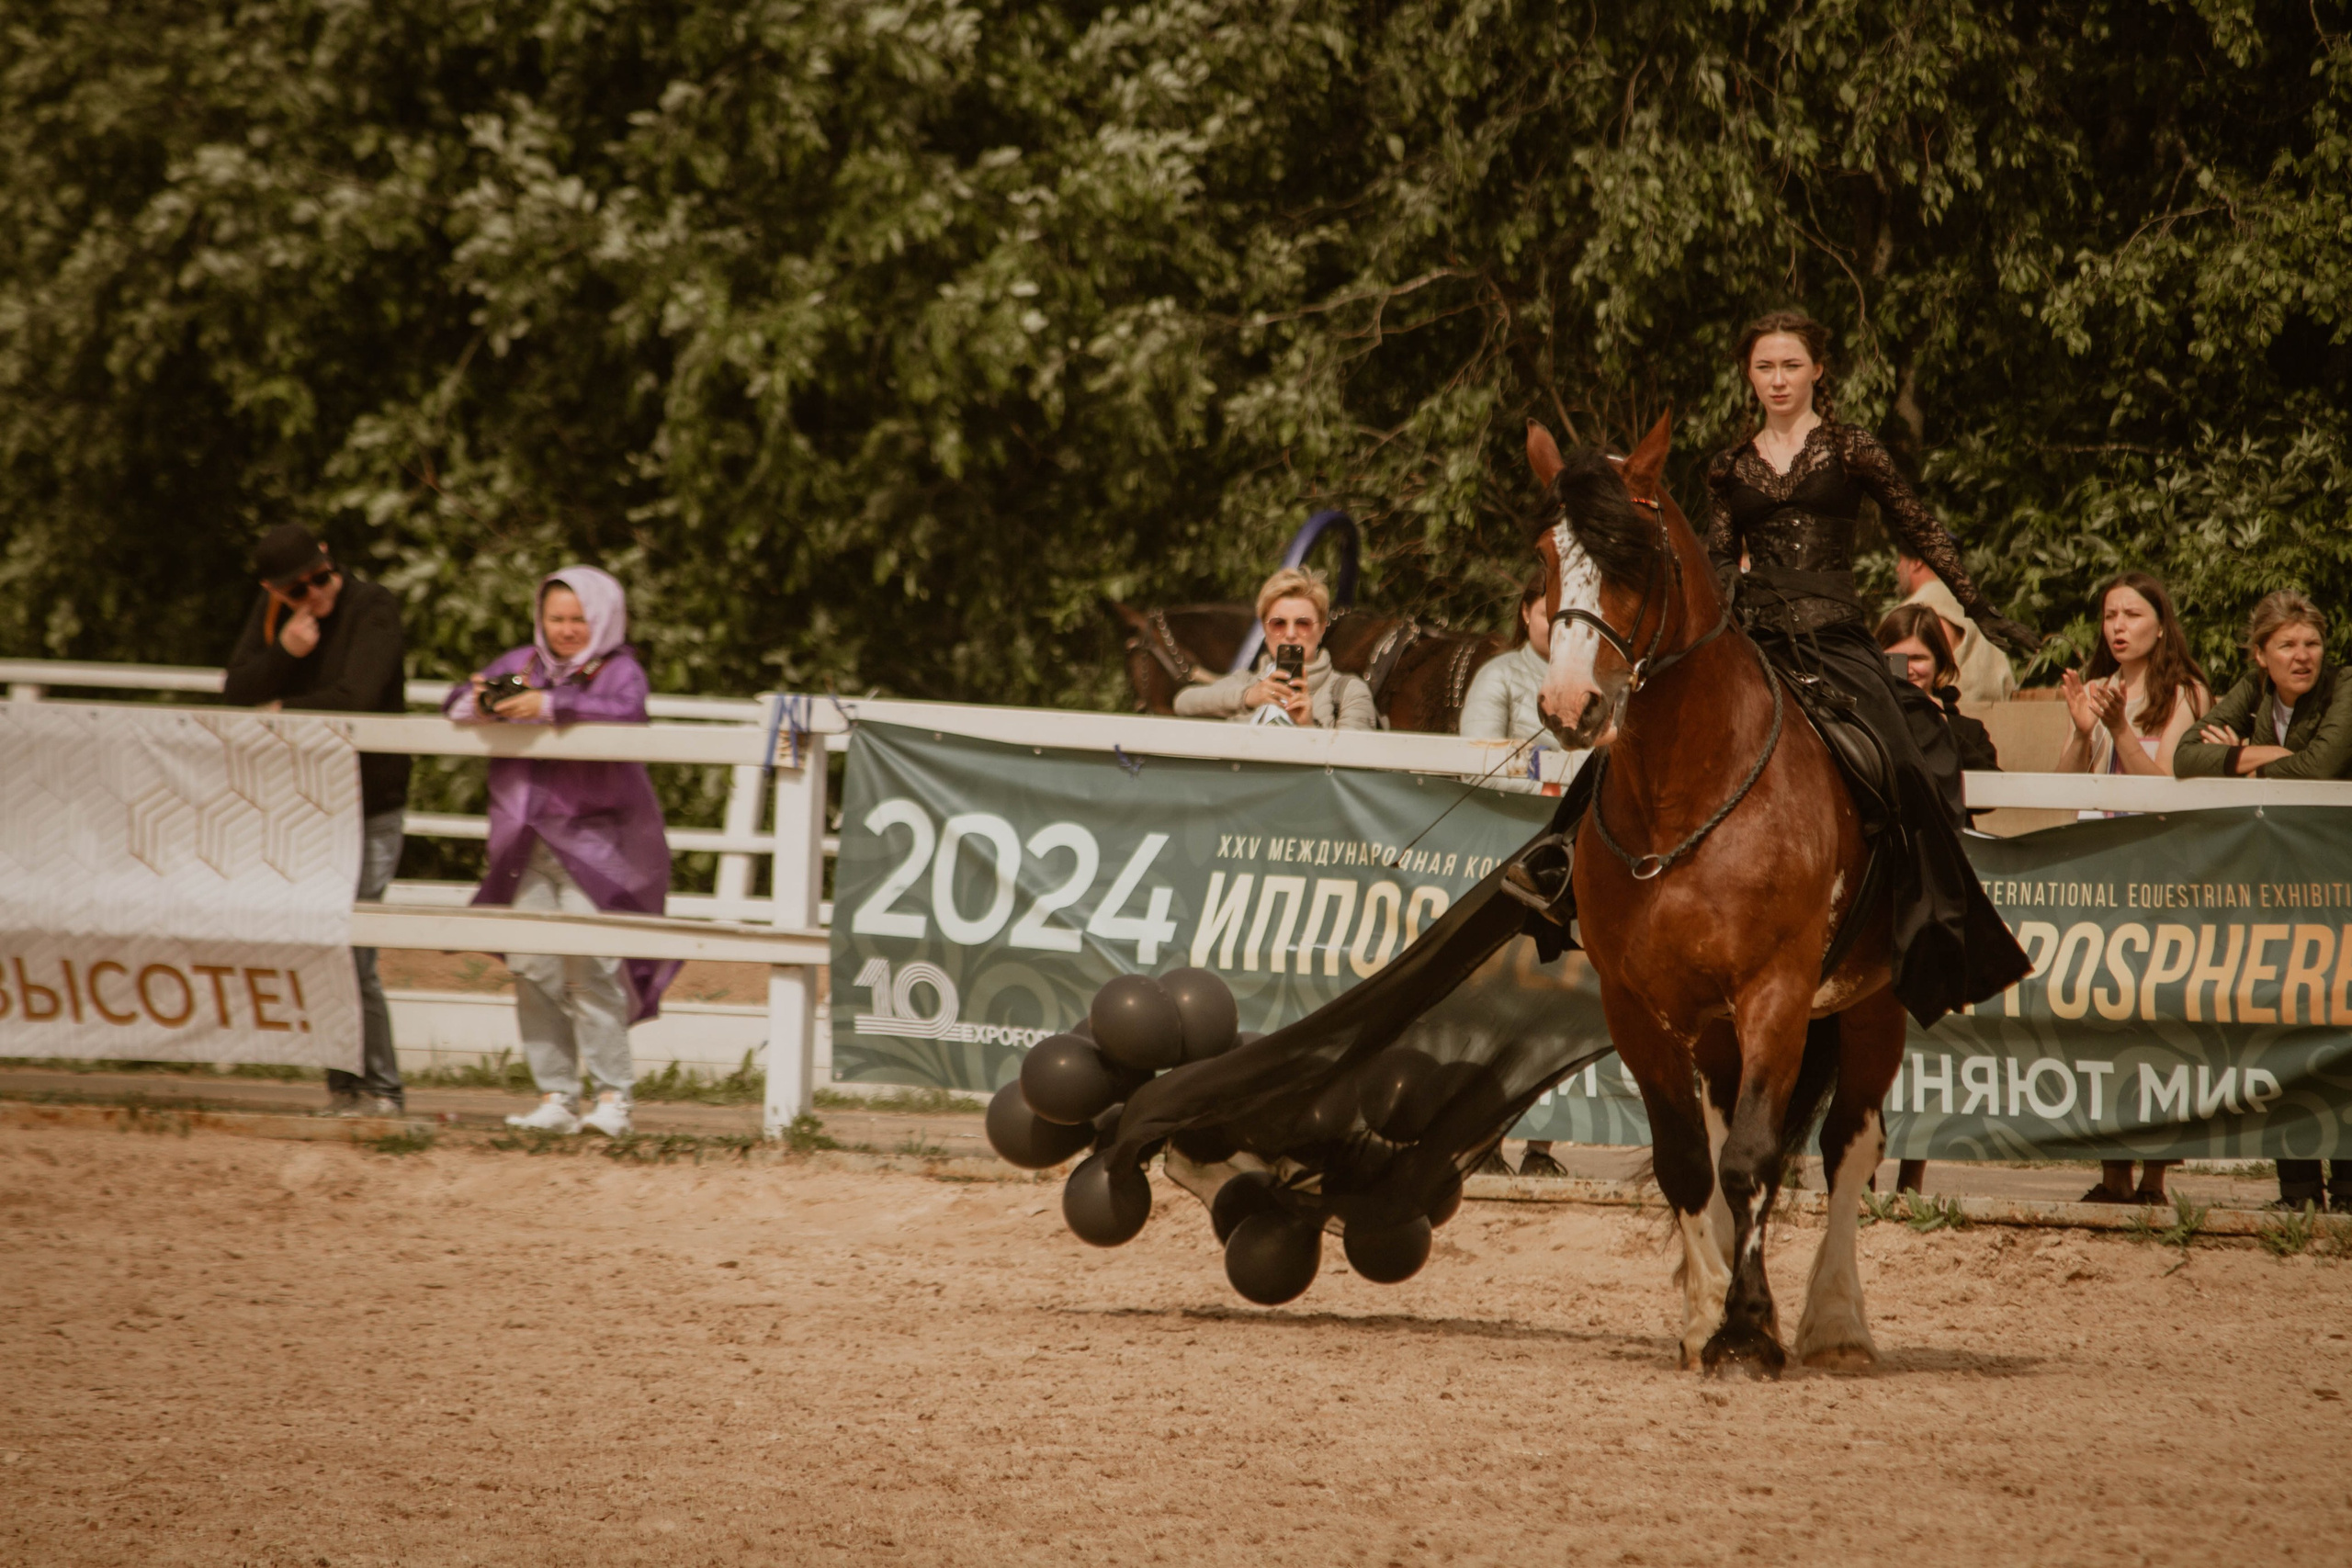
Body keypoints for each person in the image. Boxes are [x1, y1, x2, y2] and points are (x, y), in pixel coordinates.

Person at [1698, 310, 2039, 1029]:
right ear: (1748, 375)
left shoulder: (1851, 448)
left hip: (1837, 639)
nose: (1778, 379)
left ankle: (1931, 935)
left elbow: (1921, 528)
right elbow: (1719, 559)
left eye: (1791, 365)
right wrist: (1725, 616)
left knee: (1909, 765)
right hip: (1755, 641)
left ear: (1818, 370)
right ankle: (1560, 874)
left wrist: (1980, 609)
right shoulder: (1729, 466)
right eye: (1765, 367)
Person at [446, 568, 680, 1137]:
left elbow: (627, 711)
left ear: (604, 619)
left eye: (579, 619)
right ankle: (556, 1094)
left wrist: (549, 706)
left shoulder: (620, 670)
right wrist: (486, 701)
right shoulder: (522, 664)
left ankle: (612, 1096)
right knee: (533, 967)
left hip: (597, 844)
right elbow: (455, 702)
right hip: (524, 842)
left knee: (592, 965)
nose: (567, 629)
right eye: (557, 618)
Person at [2173, 590, 2352, 1214]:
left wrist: (2240, 762)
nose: (2303, 656)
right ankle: (2297, 1191)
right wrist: (2262, 754)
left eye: (2312, 643)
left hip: (2339, 882)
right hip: (2276, 886)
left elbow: (2320, 771)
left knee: (2340, 1027)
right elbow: (2185, 757)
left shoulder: (2345, 686)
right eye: (2287, 645)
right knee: (2280, 1025)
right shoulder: (2252, 692)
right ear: (2260, 654)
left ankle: (2348, 1189)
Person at [222, 525, 410, 1117]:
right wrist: (286, 652)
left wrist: (281, 709)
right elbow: (234, 691)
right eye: (297, 590)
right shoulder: (275, 614)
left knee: (353, 951)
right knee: (325, 948)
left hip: (369, 803)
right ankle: (345, 1089)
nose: (315, 594)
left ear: (330, 558)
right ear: (273, 590)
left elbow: (358, 697)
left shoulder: (374, 606)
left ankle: (383, 1091)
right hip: (305, 806)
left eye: (321, 579)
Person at [2053, 570, 2210, 1205]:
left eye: (2132, 614)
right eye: (2109, 615)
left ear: (2161, 624)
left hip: (2162, 876)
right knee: (2103, 1021)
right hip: (2099, 874)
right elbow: (2063, 787)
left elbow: (2168, 787)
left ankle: (2155, 1179)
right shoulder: (2097, 688)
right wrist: (2081, 729)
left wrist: (2120, 730)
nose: (2118, 626)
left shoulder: (2188, 693)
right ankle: (2113, 1172)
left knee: (2158, 1020)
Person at [1874, 603, 2007, 1197]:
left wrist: (1935, 722)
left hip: (1938, 901)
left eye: (1919, 657)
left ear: (1942, 664)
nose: (1908, 668)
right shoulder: (1861, 718)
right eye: (1894, 656)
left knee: (1929, 1047)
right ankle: (1859, 1165)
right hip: (1879, 897)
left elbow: (1991, 787)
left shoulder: (1964, 729)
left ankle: (1914, 1177)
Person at [1460, 576, 1565, 1179]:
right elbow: (1475, 761)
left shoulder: (1604, 682)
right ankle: (1483, 1139)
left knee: (1561, 1002)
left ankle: (1542, 1150)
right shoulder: (1498, 677)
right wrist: (1551, 775)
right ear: (1526, 614)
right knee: (1496, 1004)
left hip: (1575, 863)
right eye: (1551, 613)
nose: (1561, 625)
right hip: (1502, 855)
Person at [1174, 566, 1375, 730]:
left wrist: (1308, 726)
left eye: (1303, 623)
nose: (1290, 633)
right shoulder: (1246, 681)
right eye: (1278, 623)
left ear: (1322, 627)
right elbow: (1183, 703)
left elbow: (1351, 764)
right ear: (1264, 628)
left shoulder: (1348, 692)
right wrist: (1248, 697)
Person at [1895, 548, 2018, 704]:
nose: (1897, 568)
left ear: (1916, 562)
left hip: (1957, 710)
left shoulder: (1921, 608)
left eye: (1901, 560)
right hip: (1998, 708)